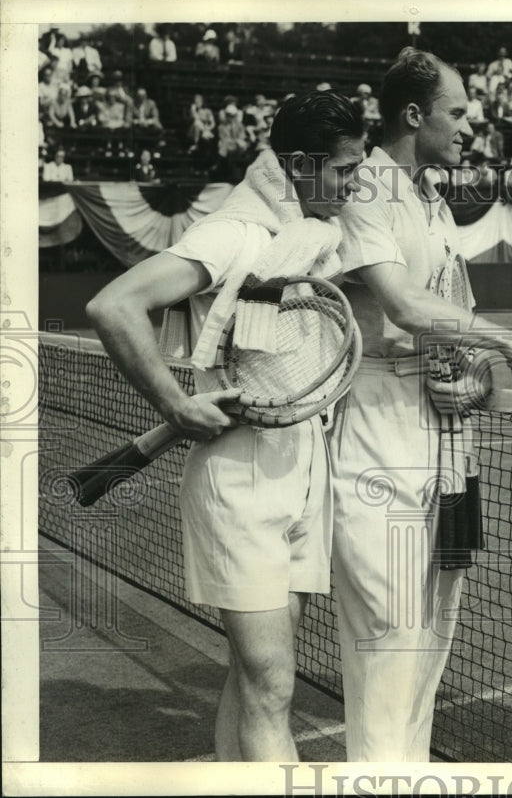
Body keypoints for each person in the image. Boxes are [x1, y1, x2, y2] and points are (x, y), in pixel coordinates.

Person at [85, 90, 366, 762]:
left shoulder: (307, 234)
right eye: (344, 169)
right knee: (273, 685)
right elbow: (113, 304)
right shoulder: (233, 233)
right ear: (299, 165)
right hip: (238, 480)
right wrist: (173, 405)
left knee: (253, 677)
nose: (356, 184)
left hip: (301, 465)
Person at [333, 46, 512, 762]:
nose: (468, 128)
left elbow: (452, 307)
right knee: (388, 634)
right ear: (414, 114)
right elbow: (401, 302)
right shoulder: (364, 188)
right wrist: (498, 339)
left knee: (434, 625)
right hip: (376, 437)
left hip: (448, 446)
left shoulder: (434, 198)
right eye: (456, 113)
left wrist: (480, 373)